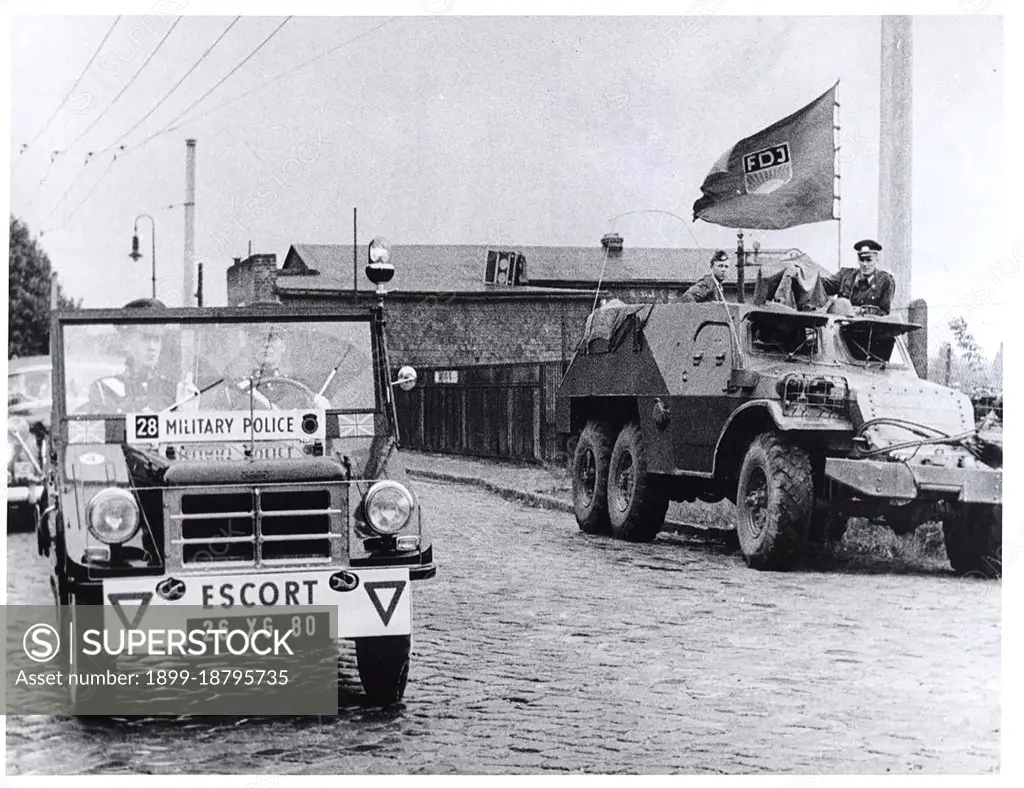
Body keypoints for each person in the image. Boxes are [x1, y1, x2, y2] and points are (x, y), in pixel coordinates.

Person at [87, 298, 179, 412]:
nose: (152, 347)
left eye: (157, 339)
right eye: (145, 338)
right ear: (126, 342)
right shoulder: (105, 390)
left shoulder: (173, 392)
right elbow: (100, 427)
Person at [820, 239, 896, 316]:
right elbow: (825, 285)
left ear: (876, 259)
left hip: (867, 326)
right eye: (861, 260)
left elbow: (884, 312)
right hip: (841, 324)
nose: (864, 264)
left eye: (869, 260)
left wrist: (862, 311)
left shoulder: (885, 281)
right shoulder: (845, 275)